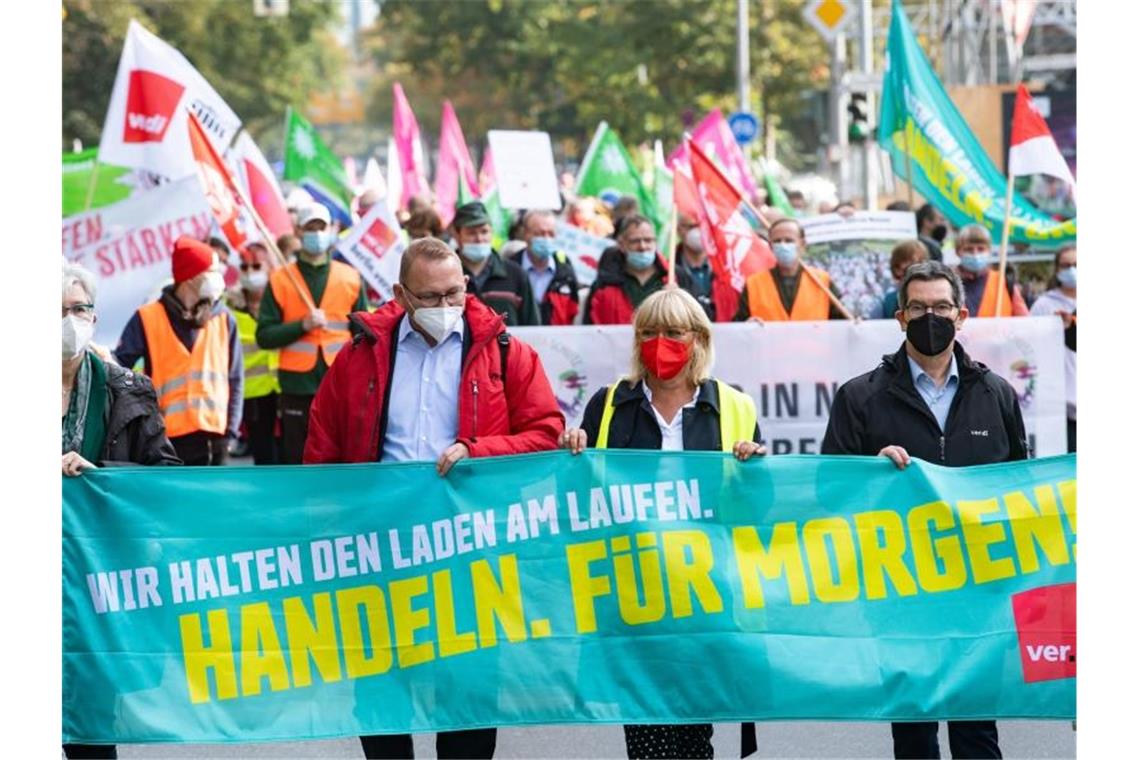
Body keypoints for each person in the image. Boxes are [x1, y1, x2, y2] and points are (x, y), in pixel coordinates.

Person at [303, 237, 564, 759]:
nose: (447, 308)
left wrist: (478, 449)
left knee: (467, 691)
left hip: (469, 549)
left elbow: (546, 431)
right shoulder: (357, 358)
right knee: (378, 689)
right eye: (430, 298)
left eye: (454, 294)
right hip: (380, 548)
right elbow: (322, 454)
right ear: (400, 294)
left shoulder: (506, 351)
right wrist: (327, 536)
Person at [821, 260, 1027, 760]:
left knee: (977, 729)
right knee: (913, 732)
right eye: (917, 307)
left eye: (939, 307)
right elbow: (829, 491)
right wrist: (867, 471)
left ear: (960, 316)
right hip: (899, 588)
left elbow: (1019, 485)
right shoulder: (860, 397)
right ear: (899, 316)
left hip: (977, 586)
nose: (928, 317)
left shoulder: (994, 392)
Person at [560, 287, 765, 760]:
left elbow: (755, 509)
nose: (660, 342)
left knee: (696, 739)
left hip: (705, 594)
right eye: (649, 332)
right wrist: (573, 456)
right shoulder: (609, 404)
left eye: (673, 332)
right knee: (649, 737)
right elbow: (580, 502)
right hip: (637, 596)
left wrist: (752, 469)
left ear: (698, 339)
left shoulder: (734, 406)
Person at [62, 264, 180, 756]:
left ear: (94, 315)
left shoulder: (127, 389)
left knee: (91, 728)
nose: (67, 320)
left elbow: (163, 483)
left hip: (96, 587)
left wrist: (102, 475)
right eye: (52, 311)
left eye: (77, 309)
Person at [114, 236, 242, 466]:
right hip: (166, 440)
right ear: (191, 277)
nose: (219, 276)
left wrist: (231, 432)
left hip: (216, 438)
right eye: (211, 270)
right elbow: (118, 368)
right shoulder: (147, 317)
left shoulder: (224, 318)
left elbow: (235, 379)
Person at [255, 203, 368, 463]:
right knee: (297, 457)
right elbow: (265, 336)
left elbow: (362, 336)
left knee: (339, 456)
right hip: (296, 385)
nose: (316, 234)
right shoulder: (280, 279)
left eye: (321, 227)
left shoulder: (351, 278)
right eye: (310, 228)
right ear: (297, 231)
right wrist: (301, 326)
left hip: (339, 382)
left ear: (332, 230)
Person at [585, 214, 693, 325]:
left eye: (648, 240)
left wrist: (680, 300)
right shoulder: (604, 284)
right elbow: (590, 331)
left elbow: (694, 322)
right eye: (635, 241)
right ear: (622, 244)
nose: (642, 246)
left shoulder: (677, 277)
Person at [734, 217, 846, 321]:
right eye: (777, 241)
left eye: (789, 241)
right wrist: (747, 326)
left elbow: (842, 322)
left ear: (802, 244)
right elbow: (737, 327)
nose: (783, 245)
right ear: (770, 246)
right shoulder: (754, 284)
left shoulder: (822, 281)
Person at [452, 200, 540, 326]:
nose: (479, 238)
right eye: (471, 233)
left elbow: (533, 326)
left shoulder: (516, 274)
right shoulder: (448, 276)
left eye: (484, 231)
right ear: (457, 235)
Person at [234, 244, 281, 464]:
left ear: (269, 267)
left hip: (282, 387)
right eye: (244, 267)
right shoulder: (229, 306)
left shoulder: (283, 299)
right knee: (263, 456)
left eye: (256, 266)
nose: (250, 272)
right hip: (252, 393)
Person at [1029, 244, 1076, 451]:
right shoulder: (1044, 305)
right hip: (1060, 404)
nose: (1072, 270)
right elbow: (1031, 344)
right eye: (1066, 265)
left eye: (1077, 264)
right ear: (1057, 269)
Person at [507, 209, 581, 325]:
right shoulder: (510, 269)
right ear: (525, 234)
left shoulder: (565, 272)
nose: (546, 239)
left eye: (551, 234)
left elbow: (572, 313)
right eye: (539, 234)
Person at [954, 224, 1028, 317]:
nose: (975, 254)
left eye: (981, 249)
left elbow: (1025, 320)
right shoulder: (949, 284)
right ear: (957, 251)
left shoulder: (1003, 282)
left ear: (989, 251)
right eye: (969, 249)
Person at [674, 213, 737, 322]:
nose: (698, 232)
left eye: (702, 226)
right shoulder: (668, 271)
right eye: (691, 227)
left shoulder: (730, 269)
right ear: (679, 230)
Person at [879, 240, 929, 318]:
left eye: (910, 266)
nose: (901, 269)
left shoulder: (934, 297)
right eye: (897, 266)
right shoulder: (890, 299)